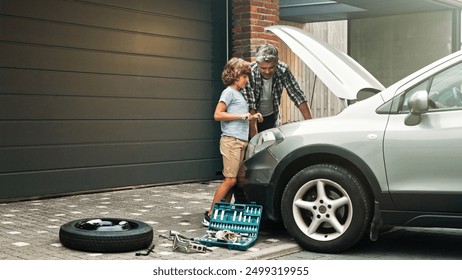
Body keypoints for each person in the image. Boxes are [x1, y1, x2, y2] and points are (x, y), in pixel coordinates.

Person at [203, 58, 262, 227]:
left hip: (240, 141)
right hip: (231, 141)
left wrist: (252, 117)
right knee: (230, 180)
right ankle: (210, 214)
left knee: (233, 181)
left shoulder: (240, 95)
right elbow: (218, 115)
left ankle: (222, 213)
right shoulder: (228, 92)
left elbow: (243, 117)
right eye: (244, 76)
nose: (247, 80)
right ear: (235, 75)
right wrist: (242, 116)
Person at [244, 43, 312, 136]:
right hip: (252, 118)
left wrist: (310, 124)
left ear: (277, 63)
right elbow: (251, 106)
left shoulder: (282, 69)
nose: (267, 72)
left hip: (271, 117)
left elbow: (297, 95)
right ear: (257, 63)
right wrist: (254, 140)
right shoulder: (250, 72)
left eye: (271, 67)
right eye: (263, 68)